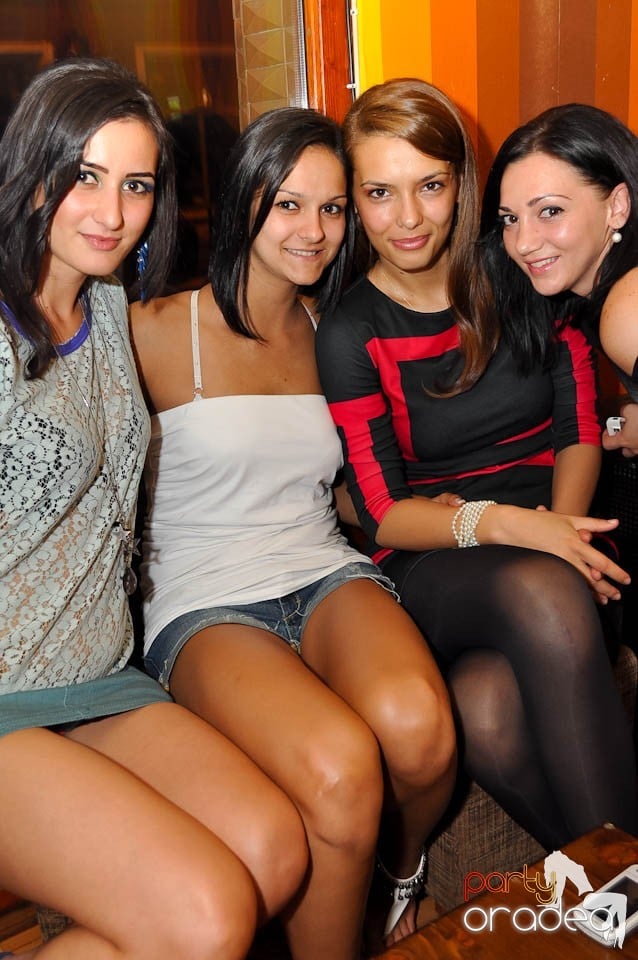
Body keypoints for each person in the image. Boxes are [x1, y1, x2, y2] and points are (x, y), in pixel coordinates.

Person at [0, 57, 307, 960]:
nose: (112, 211)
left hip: (100, 674)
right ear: (33, 169)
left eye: (136, 185)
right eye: (85, 176)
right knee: (206, 915)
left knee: (273, 851)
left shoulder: (107, 303)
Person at [131, 106, 456, 957]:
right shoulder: (153, 329)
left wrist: (451, 510)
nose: (313, 230)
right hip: (204, 599)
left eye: (333, 207)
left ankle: (397, 883)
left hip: (321, 566)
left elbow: (348, 489)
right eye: (288, 204)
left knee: (421, 733)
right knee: (341, 766)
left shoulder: (335, 329)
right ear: (246, 198)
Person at [315, 78, 637, 856]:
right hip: (438, 553)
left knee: (486, 709)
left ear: (461, 184)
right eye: (380, 193)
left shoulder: (522, 266)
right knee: (543, 588)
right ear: (354, 201)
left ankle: (609, 896)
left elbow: (577, 424)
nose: (408, 218)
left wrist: (564, 527)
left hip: (561, 525)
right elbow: (383, 510)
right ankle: (624, 884)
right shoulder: (352, 330)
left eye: (429, 186)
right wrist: (512, 527)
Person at [479, 102, 638, 458]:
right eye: (510, 219)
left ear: (617, 207)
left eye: (550, 211)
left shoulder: (627, 310)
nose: (523, 243)